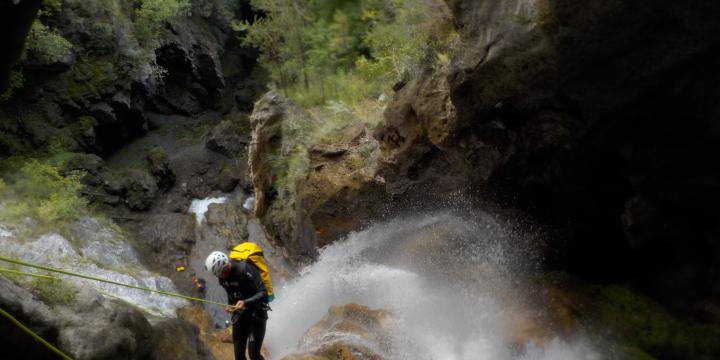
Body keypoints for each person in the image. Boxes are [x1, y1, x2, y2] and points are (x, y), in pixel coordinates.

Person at [205, 251, 269, 360]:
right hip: (240, 316)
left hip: (256, 315)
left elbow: (263, 293)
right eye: (218, 274)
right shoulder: (222, 278)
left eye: (220, 273)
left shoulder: (245, 269)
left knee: (253, 355)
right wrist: (231, 305)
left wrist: (245, 302)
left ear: (225, 266)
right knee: (239, 357)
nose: (220, 276)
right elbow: (232, 294)